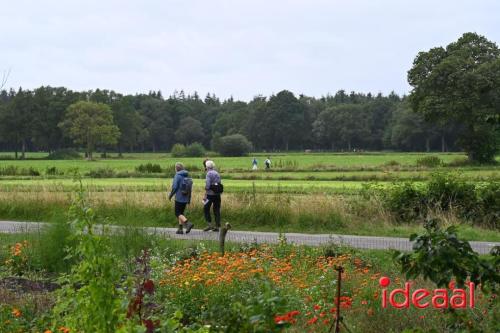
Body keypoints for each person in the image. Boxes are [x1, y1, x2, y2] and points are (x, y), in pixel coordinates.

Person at [168, 162, 194, 234]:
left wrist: (170, 195)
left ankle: (188, 223)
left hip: (179, 197)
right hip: (186, 197)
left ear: (176, 169)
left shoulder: (177, 175)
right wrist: (189, 199)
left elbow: (175, 187)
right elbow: (190, 188)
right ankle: (180, 229)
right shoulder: (187, 175)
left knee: (177, 213)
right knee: (181, 213)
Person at [203, 160, 222, 232]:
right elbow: (219, 183)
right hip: (217, 195)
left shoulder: (208, 174)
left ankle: (209, 225)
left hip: (209, 195)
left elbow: (207, 185)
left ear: (207, 167)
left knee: (206, 208)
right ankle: (217, 226)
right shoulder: (217, 173)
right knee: (216, 209)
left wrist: (206, 188)